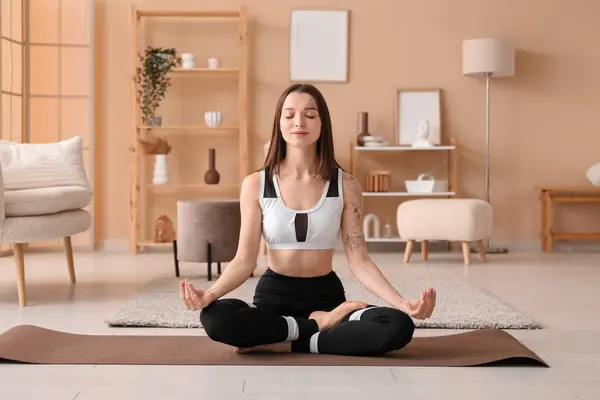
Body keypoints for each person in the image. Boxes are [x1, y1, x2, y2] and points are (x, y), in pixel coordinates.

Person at [180, 83, 436, 357]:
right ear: (279, 124)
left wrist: (402, 304)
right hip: (273, 299)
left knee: (396, 325)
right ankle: (315, 328)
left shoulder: (345, 185)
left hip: (327, 299)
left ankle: (290, 338)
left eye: (310, 115)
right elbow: (244, 260)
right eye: (289, 115)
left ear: (322, 123)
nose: (299, 122)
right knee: (216, 318)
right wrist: (209, 295)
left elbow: (359, 260)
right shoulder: (256, 184)